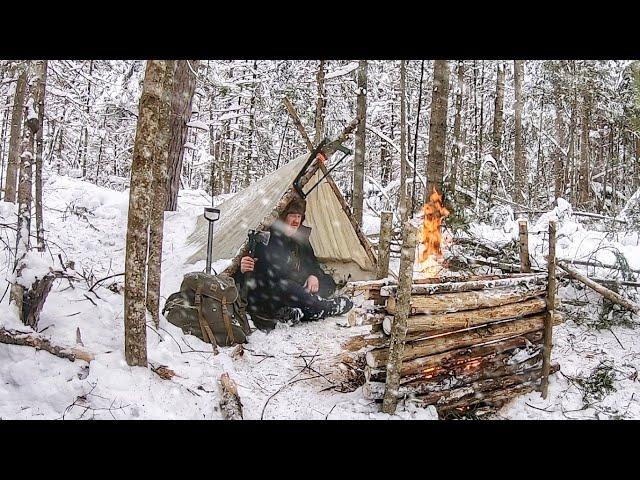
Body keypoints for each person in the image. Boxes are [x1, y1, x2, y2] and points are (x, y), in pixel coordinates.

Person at [237, 198, 353, 330]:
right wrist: (243, 268)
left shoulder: (301, 240)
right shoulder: (266, 239)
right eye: (292, 216)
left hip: (300, 286)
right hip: (275, 291)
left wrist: (313, 275)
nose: (296, 221)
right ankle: (326, 307)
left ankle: (298, 312)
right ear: (283, 217)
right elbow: (248, 276)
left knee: (327, 282)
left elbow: (313, 264)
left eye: (299, 216)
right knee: (288, 289)